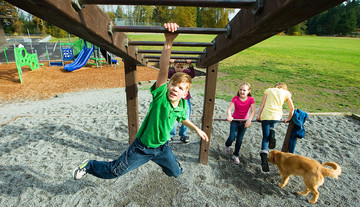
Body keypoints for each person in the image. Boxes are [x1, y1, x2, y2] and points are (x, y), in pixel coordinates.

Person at [72, 23, 209, 180]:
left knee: (176, 172)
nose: (175, 89)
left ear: (185, 94)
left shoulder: (182, 105)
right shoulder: (160, 97)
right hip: (142, 148)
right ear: (168, 85)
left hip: (163, 148)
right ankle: (89, 165)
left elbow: (182, 118)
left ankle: (170, 164)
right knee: (114, 171)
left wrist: (197, 129)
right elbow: (164, 69)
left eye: (180, 88)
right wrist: (168, 42)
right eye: (173, 84)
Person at [256, 82, 294, 172]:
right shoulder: (286, 93)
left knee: (265, 138)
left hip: (266, 116)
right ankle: (272, 133)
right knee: (272, 122)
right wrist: (288, 118)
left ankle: (264, 156)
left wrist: (258, 116)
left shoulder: (268, 90)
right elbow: (292, 108)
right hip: (276, 116)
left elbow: (262, 105)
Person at [224, 82, 255, 164]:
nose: (242, 92)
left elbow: (253, 111)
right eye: (240, 90)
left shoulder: (251, 99)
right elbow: (229, 109)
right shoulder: (235, 98)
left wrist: (249, 120)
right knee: (232, 137)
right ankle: (227, 145)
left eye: (244, 90)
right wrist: (229, 116)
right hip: (235, 120)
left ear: (248, 91)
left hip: (244, 122)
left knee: (239, 139)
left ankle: (236, 155)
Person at [168, 59, 195, 143]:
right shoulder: (172, 73)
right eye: (177, 67)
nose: (179, 69)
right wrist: (169, 63)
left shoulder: (186, 72)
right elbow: (166, 73)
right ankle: (171, 134)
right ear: (174, 66)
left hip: (185, 98)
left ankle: (183, 134)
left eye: (181, 67)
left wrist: (190, 65)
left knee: (186, 115)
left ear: (184, 67)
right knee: (174, 115)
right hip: (175, 98)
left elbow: (193, 75)